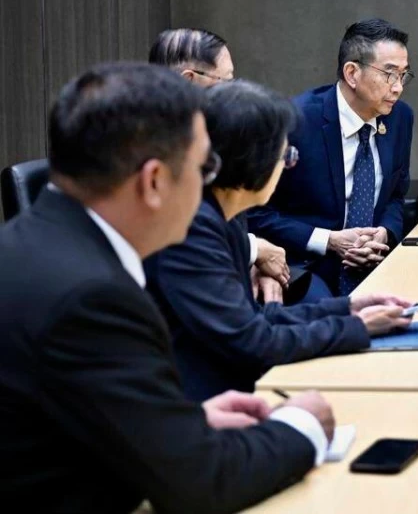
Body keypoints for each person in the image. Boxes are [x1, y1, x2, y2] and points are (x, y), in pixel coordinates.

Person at [0, 62, 335, 513]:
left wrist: (184, 422)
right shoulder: (93, 299)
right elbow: (200, 484)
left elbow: (79, 414)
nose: (210, 182)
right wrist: (303, 425)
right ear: (155, 181)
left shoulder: (34, 245)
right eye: (205, 165)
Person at [146, 80, 415, 401]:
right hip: (203, 406)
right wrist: (359, 328)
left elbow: (257, 319)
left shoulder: (223, 215)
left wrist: (348, 308)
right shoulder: (193, 226)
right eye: (285, 154)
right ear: (252, 160)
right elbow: (252, 341)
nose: (289, 164)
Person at [248, 19, 414, 297]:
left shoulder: (400, 117)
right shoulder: (294, 121)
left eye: (404, 75)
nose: (398, 87)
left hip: (377, 259)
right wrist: (329, 241)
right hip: (307, 263)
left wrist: (384, 233)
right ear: (352, 73)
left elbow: (397, 196)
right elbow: (255, 213)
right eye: (389, 74)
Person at [149, 27, 292, 303]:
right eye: (226, 81)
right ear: (189, 80)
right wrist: (253, 251)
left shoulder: (208, 132)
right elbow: (191, 232)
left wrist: (251, 262)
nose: (235, 90)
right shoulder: (160, 153)